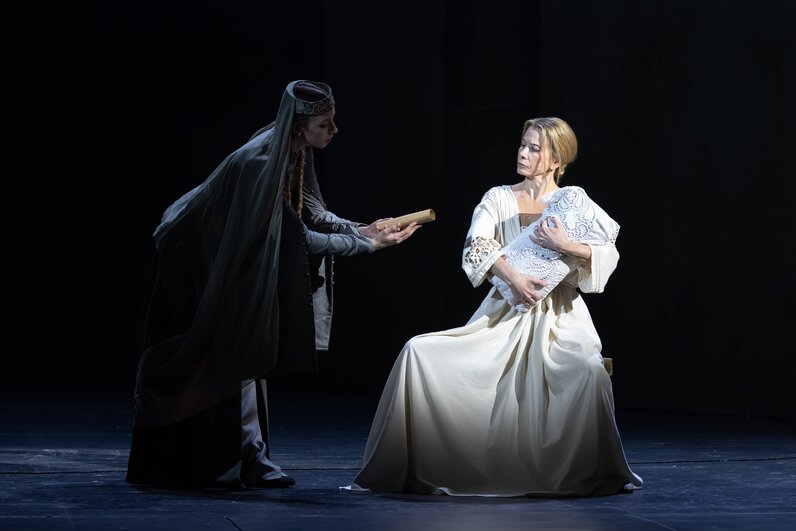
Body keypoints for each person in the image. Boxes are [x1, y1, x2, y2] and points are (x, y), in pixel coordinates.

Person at [126, 79, 420, 489]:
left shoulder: (297, 150)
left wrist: (364, 229)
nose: (334, 130)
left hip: (234, 253)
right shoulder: (261, 162)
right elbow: (298, 238)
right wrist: (368, 246)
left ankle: (251, 457)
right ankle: (238, 458)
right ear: (299, 127)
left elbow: (314, 213)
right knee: (230, 347)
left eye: (333, 121)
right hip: (194, 259)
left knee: (246, 344)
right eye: (325, 125)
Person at [343, 117, 642, 497]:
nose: (523, 153)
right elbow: (477, 243)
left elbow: (606, 251)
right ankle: (422, 466)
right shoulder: (499, 198)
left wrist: (565, 245)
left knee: (588, 370)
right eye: (523, 144)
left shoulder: (572, 202)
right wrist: (514, 278)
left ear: (556, 160)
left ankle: (579, 472)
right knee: (419, 351)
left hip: (560, 317)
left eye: (534, 148)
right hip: (506, 313)